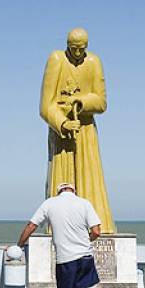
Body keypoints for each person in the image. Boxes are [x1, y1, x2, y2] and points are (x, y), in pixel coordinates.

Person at [40, 28, 115, 233]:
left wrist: (81, 102)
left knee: (90, 179)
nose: (78, 54)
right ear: (67, 45)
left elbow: (101, 102)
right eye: (74, 49)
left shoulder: (93, 62)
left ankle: (97, 227)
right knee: (63, 180)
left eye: (82, 49)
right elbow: (45, 105)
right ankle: (60, 228)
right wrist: (63, 123)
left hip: (86, 129)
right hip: (62, 130)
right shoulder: (56, 59)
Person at [15, 182, 101, 288]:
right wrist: (86, 241)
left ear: (59, 191)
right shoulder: (84, 203)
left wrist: (19, 245)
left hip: (65, 258)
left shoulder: (49, 203)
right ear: (73, 191)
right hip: (85, 256)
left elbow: (31, 225)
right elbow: (96, 231)